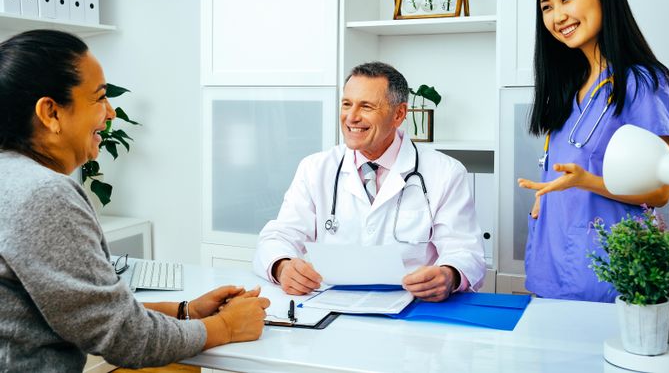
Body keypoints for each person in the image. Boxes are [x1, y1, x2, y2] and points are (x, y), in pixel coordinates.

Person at [0, 30, 270, 371]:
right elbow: (125, 337)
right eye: (98, 98)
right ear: (51, 113)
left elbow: (81, 310)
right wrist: (226, 327)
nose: (110, 113)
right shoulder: (42, 194)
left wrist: (186, 311)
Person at [518, 0, 669, 303]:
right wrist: (546, 197)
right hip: (551, 264)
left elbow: (661, 191)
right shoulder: (569, 89)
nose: (557, 16)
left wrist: (587, 182)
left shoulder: (643, 84)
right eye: (546, 7)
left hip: (607, 276)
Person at [253, 61, 485, 302]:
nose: (351, 117)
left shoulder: (445, 172)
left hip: (412, 308)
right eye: (346, 104)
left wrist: (450, 275)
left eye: (366, 106)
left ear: (399, 114)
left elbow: (466, 252)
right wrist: (282, 266)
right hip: (332, 306)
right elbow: (278, 237)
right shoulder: (315, 168)